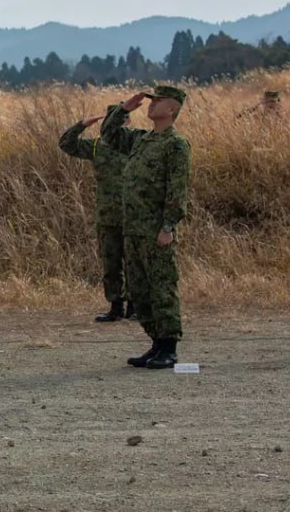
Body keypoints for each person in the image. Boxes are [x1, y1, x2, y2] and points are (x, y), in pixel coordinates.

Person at [100, 86, 191, 369]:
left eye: (158, 101)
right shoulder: (142, 140)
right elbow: (109, 135)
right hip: (134, 229)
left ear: (171, 109)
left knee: (161, 287)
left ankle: (169, 347)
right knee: (139, 290)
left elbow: (177, 190)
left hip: (155, 230)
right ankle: (155, 342)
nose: (151, 105)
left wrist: (168, 226)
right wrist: (124, 109)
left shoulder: (175, 145)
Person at [59, 106, 132, 323]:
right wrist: (83, 124)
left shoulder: (135, 144)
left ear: (127, 122)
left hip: (134, 215)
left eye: (121, 120)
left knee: (135, 264)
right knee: (111, 264)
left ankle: (136, 306)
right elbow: (66, 144)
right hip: (108, 215)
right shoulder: (97, 147)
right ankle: (115, 306)